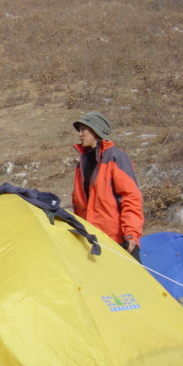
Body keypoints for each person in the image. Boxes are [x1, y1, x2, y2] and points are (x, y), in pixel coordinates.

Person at [71, 111, 144, 261]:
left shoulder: (116, 157)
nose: (80, 134)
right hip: (92, 241)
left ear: (96, 130)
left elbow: (131, 197)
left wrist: (131, 233)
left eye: (83, 129)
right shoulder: (82, 163)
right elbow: (77, 204)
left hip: (118, 241)